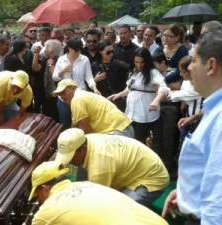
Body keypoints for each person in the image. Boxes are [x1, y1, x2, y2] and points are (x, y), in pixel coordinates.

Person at [162, 31, 222, 225]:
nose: (189, 67)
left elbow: (218, 200)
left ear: (211, 66)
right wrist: (186, 193)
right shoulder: (214, 108)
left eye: (194, 60)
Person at [54, 128, 169, 207]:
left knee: (119, 212)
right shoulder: (85, 139)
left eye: (71, 158)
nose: (70, 162)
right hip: (138, 164)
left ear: (83, 149)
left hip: (151, 178)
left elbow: (100, 203)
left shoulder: (99, 169)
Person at [29, 161, 169, 225]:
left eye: (37, 195)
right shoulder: (87, 184)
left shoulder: (45, 213)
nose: (39, 201)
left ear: (45, 188)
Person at [109, 48, 168, 144]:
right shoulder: (134, 72)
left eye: (142, 62)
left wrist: (156, 100)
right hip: (131, 113)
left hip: (144, 115)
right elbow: (130, 88)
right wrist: (118, 94)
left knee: (139, 142)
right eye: (136, 62)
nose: (139, 65)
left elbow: (163, 88)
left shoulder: (153, 73)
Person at [53, 79, 133, 136]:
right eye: (59, 94)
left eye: (63, 92)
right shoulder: (82, 95)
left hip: (117, 132)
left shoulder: (77, 99)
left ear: (73, 88)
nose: (62, 96)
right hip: (123, 129)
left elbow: (85, 130)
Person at [52, 38, 98, 128]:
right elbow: (55, 77)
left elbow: (89, 77)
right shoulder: (61, 59)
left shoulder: (84, 59)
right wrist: (63, 72)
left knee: (81, 125)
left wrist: (95, 89)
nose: (78, 52)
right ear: (69, 48)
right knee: (65, 124)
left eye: (79, 49)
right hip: (64, 98)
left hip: (80, 97)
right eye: (75, 50)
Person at [91, 40, 130, 110]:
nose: (111, 54)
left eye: (112, 51)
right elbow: (88, 82)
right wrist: (95, 80)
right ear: (100, 52)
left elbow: (131, 72)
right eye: (108, 52)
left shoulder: (119, 64)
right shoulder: (94, 65)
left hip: (117, 100)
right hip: (101, 101)